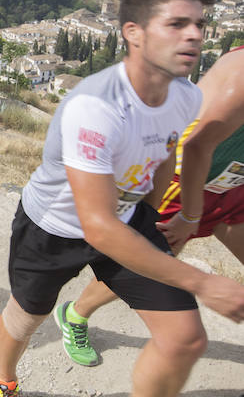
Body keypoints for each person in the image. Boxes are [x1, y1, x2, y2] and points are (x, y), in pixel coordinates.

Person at [0, 0, 244, 397]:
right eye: (177, 24)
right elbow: (98, 227)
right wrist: (202, 282)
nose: (195, 35)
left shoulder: (182, 94)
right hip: (54, 228)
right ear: (134, 34)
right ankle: (4, 379)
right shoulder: (95, 107)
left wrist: (154, 210)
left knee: (184, 339)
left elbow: (165, 153)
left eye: (199, 24)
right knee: (26, 318)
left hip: (126, 218)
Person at [52, 44, 244, 369]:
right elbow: (198, 145)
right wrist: (190, 215)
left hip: (236, 187)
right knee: (148, 261)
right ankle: (75, 315)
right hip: (188, 184)